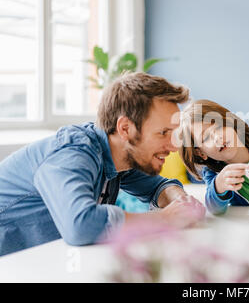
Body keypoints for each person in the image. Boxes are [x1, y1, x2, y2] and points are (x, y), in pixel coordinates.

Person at [0, 72, 205, 256]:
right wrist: (165, 218)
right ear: (125, 128)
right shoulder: (72, 153)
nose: (173, 146)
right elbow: (79, 225)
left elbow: (157, 186)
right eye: (163, 132)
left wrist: (181, 202)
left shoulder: (119, 156)